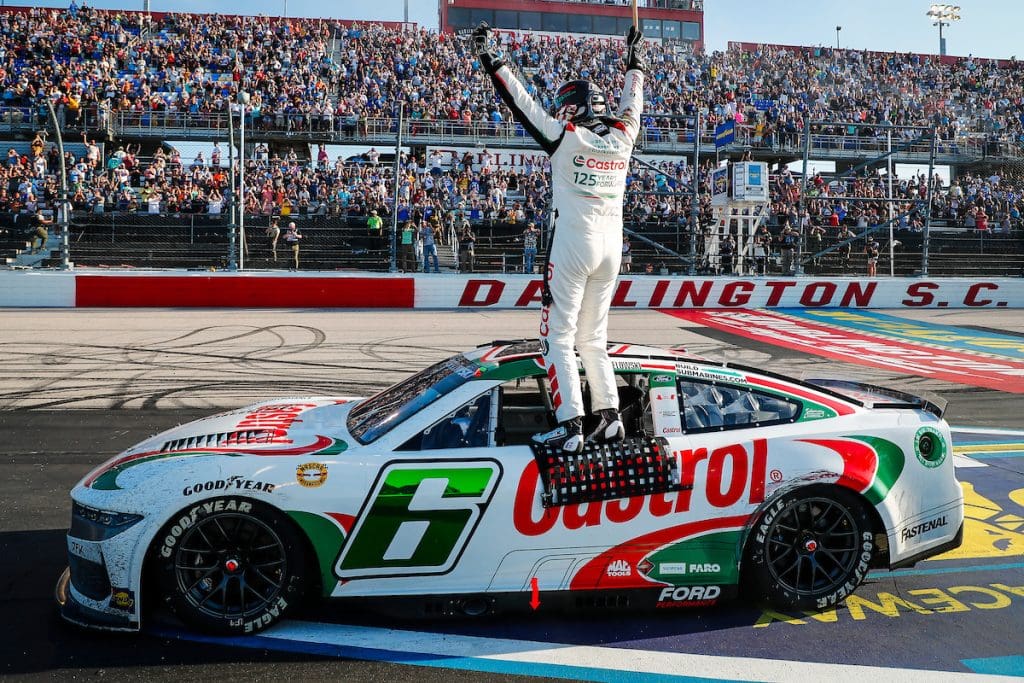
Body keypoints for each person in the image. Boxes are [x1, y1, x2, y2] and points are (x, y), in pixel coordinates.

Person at [474, 21, 645, 453]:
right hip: (611, 249)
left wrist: (492, 58)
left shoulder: (564, 136)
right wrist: (634, 61)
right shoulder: (624, 136)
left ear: (571, 108)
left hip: (572, 245)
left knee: (558, 338)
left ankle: (570, 423)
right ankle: (608, 418)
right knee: (594, 339)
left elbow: (520, 103)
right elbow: (634, 101)